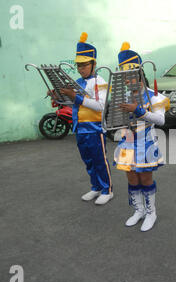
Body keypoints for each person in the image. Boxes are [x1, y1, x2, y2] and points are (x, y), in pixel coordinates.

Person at [113, 42, 170, 232]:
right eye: (125, 78)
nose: (129, 81)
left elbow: (161, 120)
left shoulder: (154, 97)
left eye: (131, 76)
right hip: (127, 142)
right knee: (131, 178)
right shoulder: (123, 97)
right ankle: (138, 210)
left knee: (145, 178)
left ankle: (151, 212)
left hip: (146, 142)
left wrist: (138, 111)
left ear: (139, 74)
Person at [58, 32, 113, 205]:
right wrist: (57, 95)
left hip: (95, 128)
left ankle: (107, 190)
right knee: (88, 161)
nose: (81, 69)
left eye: (84, 65)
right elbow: (71, 101)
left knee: (99, 161)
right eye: (78, 66)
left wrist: (76, 97)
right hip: (80, 128)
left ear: (93, 64)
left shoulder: (100, 81)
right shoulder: (78, 82)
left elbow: (100, 106)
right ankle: (95, 187)